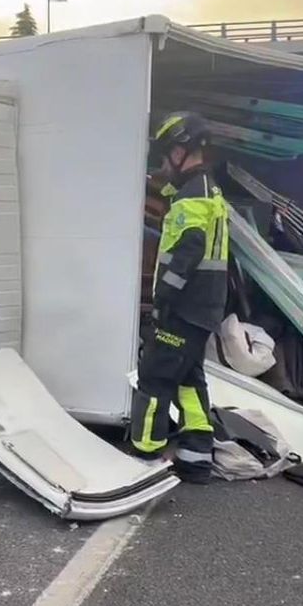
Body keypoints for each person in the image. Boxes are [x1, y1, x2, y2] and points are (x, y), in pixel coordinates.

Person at [131, 112, 229, 484]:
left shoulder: (193, 197)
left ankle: (144, 454)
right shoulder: (207, 190)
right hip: (202, 307)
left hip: (185, 307)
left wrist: (164, 299)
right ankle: (195, 456)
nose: (163, 163)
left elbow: (189, 248)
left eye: (167, 152)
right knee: (189, 379)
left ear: (183, 149)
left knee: (155, 377)